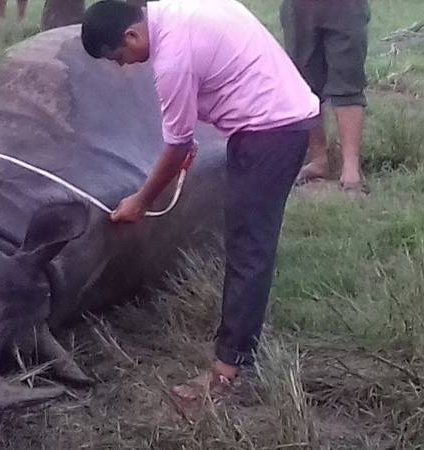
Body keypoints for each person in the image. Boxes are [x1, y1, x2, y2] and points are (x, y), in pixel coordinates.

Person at [81, 1, 319, 399]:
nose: (125, 66)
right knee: (248, 240)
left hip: (270, 132)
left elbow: (175, 147)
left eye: (120, 57)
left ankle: (229, 370)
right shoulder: (179, 10)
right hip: (280, 120)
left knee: (248, 247)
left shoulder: (172, 57)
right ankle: (237, 350)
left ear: (131, 36)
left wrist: (140, 201)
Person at [280, 0, 370, 194]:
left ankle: (351, 170)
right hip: (299, 7)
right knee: (303, 83)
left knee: (348, 80)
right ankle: (318, 159)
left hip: (346, 7)